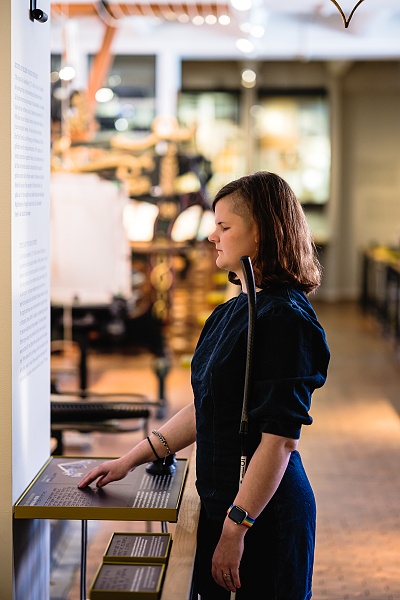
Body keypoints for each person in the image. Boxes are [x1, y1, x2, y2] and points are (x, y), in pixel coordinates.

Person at [78, 171, 330, 599]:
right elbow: (206, 408)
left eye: (224, 226)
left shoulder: (286, 319)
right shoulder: (230, 313)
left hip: (262, 518)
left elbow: (279, 441)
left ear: (261, 234)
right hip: (225, 507)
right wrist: (130, 459)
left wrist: (235, 530)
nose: (212, 236)